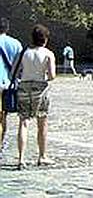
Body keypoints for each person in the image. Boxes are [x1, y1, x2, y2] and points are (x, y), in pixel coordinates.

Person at [15, 24, 56, 169]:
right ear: (45, 39)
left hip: (24, 86)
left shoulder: (24, 53)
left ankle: (21, 158)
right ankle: (42, 156)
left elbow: (16, 71)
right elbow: (52, 76)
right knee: (42, 121)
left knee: (23, 122)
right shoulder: (48, 54)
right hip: (40, 87)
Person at [0, 17, 23, 156]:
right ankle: (1, 143)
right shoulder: (16, 44)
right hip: (9, 86)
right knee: (4, 116)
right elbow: (20, 66)